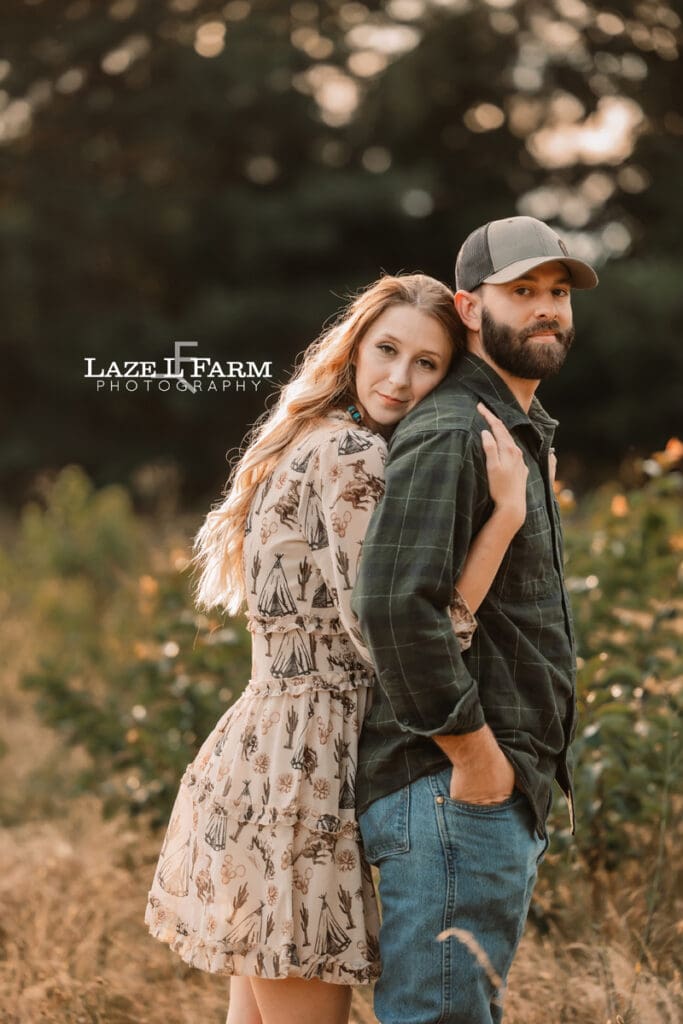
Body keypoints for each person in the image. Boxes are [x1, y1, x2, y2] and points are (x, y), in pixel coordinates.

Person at [144, 272, 528, 1024]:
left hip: (263, 753)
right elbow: (398, 628)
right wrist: (507, 513)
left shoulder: (309, 437)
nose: (400, 378)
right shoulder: (352, 453)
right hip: (303, 770)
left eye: (427, 364)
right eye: (386, 350)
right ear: (353, 349)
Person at [353, 217, 599, 1024]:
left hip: (485, 790)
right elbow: (394, 604)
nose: (545, 310)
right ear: (468, 306)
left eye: (557, 293)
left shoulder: (512, 432)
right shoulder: (455, 427)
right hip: (451, 790)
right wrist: (475, 758)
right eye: (520, 291)